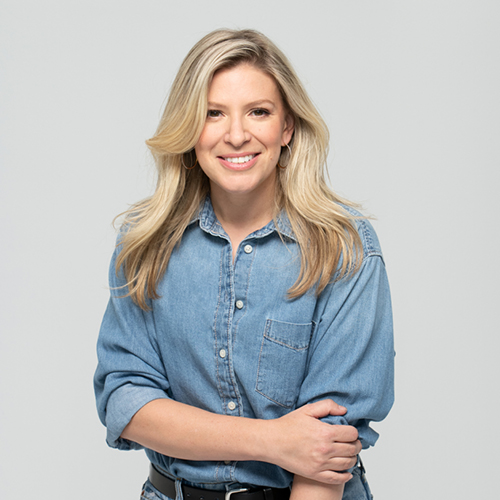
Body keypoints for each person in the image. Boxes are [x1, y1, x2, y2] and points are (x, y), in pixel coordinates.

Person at [94, 29, 394, 500]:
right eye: (213, 113)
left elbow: (326, 448)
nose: (236, 135)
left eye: (259, 111)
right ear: (190, 128)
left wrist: (296, 445)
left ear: (287, 127)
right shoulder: (144, 242)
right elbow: (126, 401)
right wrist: (273, 440)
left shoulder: (344, 248)